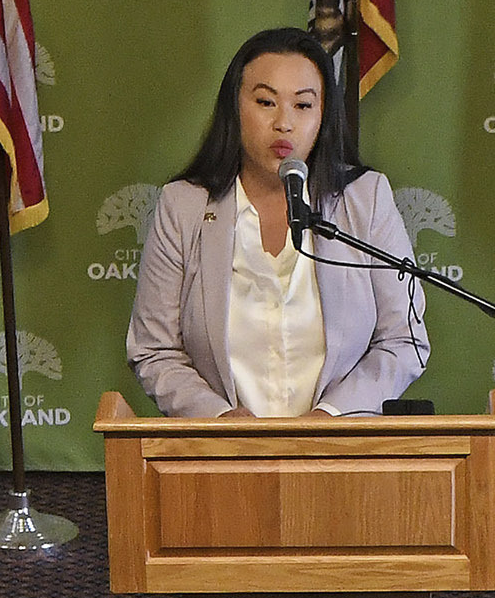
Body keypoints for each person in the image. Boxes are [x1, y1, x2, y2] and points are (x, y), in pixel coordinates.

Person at [123, 28, 427, 418]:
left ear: (323, 116)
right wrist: (221, 421)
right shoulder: (184, 206)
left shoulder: (365, 199)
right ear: (236, 108)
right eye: (266, 102)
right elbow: (154, 350)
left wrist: (332, 418)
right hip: (222, 460)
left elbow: (405, 339)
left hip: (340, 455)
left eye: (303, 106)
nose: (284, 123)